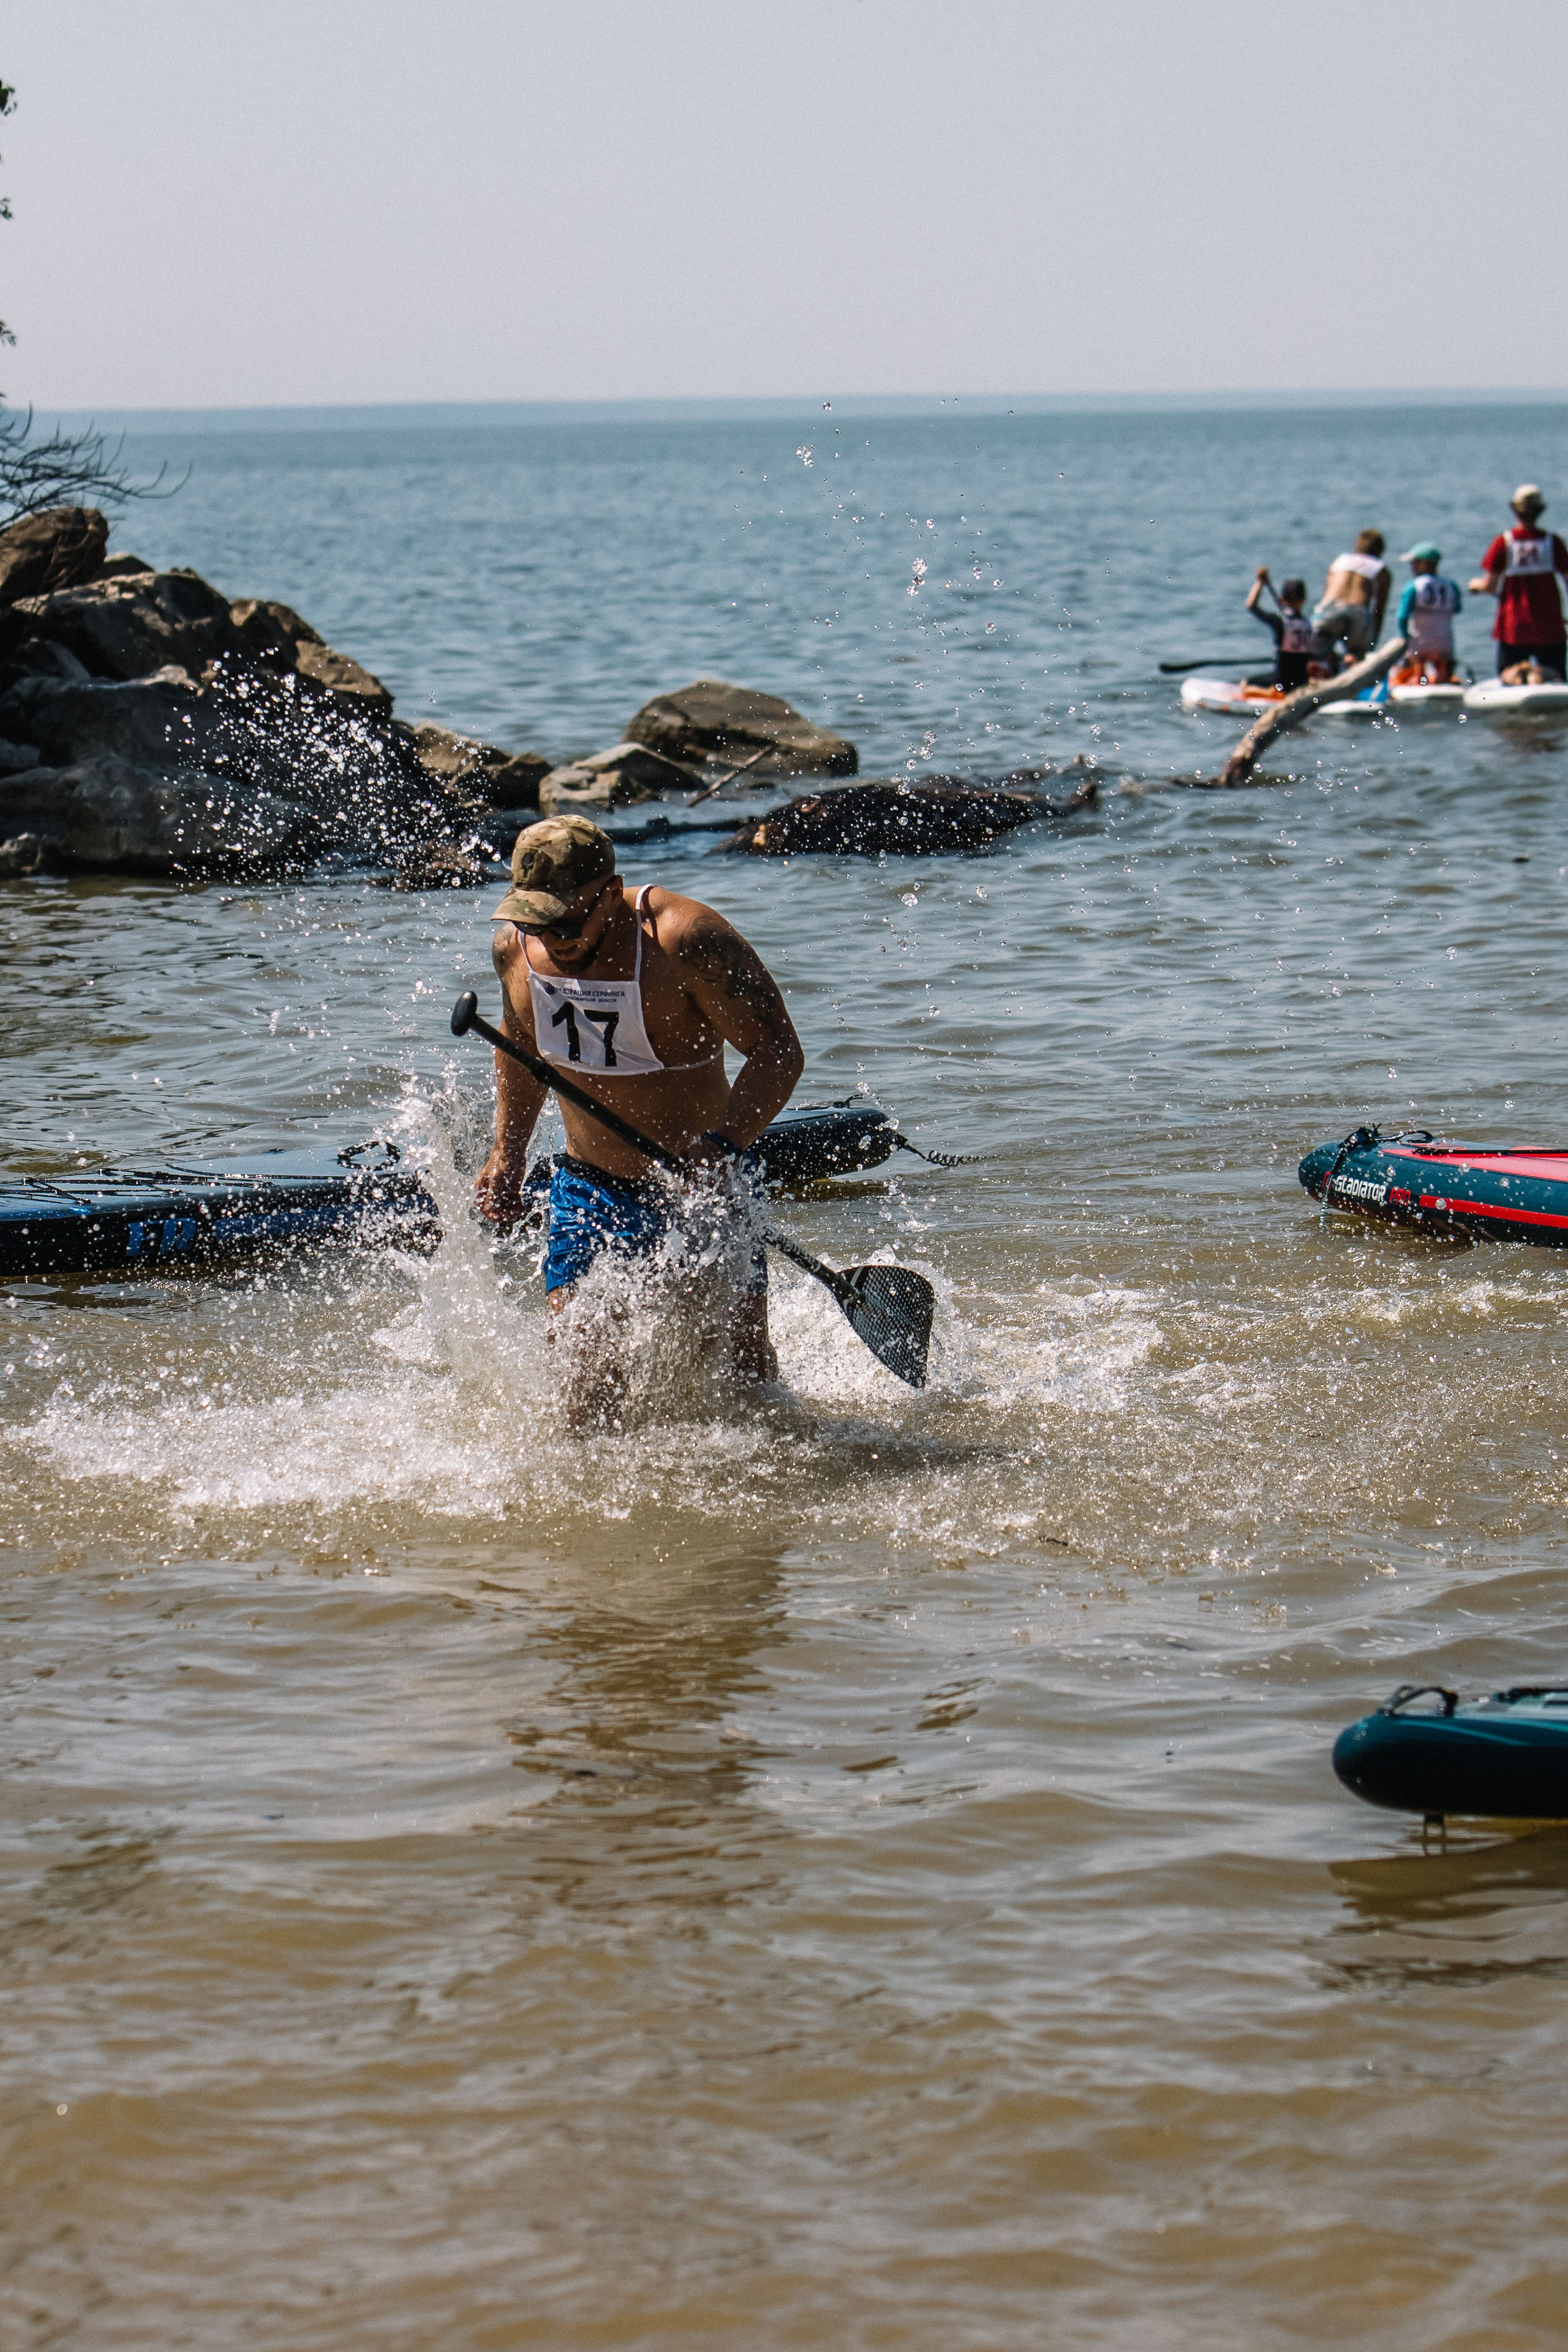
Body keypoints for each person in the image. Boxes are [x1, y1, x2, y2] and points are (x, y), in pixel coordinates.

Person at [475, 815, 804, 1415]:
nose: (554, 937)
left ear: (610, 891)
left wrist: (724, 1145)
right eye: (535, 919)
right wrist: (509, 1150)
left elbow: (778, 1049)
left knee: (741, 1383)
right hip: (590, 1187)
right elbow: (520, 1047)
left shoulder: (687, 939)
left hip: (704, 1186)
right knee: (585, 1374)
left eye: (568, 918)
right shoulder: (513, 949)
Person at [1468, 484, 1568, 681]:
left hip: (1513, 626)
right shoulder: (1553, 542)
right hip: (1550, 625)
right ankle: (1540, 673)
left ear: (1515, 510)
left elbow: (1490, 586)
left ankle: (1520, 673)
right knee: (1556, 673)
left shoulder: (1504, 542)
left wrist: (1474, 585)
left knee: (1507, 672)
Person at [1312, 530, 1392, 669]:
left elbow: (1327, 594)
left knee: (1318, 650)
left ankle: (1321, 664)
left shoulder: (1339, 561)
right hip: (1357, 609)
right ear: (1380, 552)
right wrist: (1371, 645)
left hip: (1330, 609)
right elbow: (1379, 612)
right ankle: (1353, 664)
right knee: (1356, 653)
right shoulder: (1380, 569)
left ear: (1357, 547)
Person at [1390, 543, 1463, 685]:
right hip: (1444, 644)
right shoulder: (1451, 586)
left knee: (1417, 669)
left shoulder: (1413, 586)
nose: (1412, 567)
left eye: (1414, 563)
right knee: (1443, 672)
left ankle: (1418, 679)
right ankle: (1442, 679)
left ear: (1424, 564)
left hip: (1419, 644)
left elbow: (1402, 616)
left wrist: (1406, 639)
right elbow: (1457, 609)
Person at [1244, 568, 1315, 692]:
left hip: (1282, 683)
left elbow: (1251, 606)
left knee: (1246, 683)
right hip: (1302, 682)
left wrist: (1260, 583)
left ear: (1282, 599)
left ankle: (1271, 692)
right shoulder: (1308, 624)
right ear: (1303, 600)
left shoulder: (1280, 622)